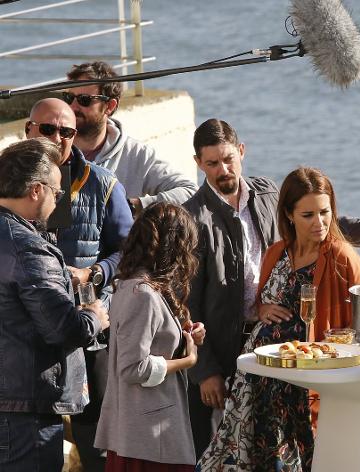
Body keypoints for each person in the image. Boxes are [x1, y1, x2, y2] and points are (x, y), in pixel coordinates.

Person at [183, 118, 360, 457]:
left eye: (229, 159)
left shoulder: (268, 193)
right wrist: (205, 371)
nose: (224, 169)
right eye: (213, 163)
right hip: (225, 350)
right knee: (224, 451)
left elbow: (321, 217)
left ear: (242, 152)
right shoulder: (191, 218)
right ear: (198, 163)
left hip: (288, 362)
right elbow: (186, 301)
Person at [197, 166, 360, 471]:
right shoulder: (277, 252)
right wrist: (263, 309)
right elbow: (262, 302)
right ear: (289, 215)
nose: (319, 223)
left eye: (325, 212)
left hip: (301, 382)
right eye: (308, 215)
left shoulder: (341, 255)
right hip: (257, 377)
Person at [26, 97, 134, 471]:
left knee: (95, 438)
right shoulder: (8, 184)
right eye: (47, 129)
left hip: (90, 331)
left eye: (66, 131)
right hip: (26, 332)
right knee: (35, 434)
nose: (57, 138)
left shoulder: (103, 185)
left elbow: (131, 254)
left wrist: (95, 273)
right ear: (28, 130)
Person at [0, 138, 109, 472]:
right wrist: (94, 316)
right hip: (25, 410)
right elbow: (62, 328)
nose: (59, 200)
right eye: (57, 192)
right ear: (36, 190)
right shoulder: (29, 247)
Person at [94, 202, 206, 471]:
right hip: (147, 439)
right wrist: (187, 361)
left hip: (141, 435)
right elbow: (133, 368)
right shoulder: (142, 294)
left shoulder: (133, 286)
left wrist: (183, 338)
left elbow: (144, 343)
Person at [64, 61, 198, 215]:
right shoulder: (52, 146)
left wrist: (136, 205)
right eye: (69, 97)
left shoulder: (135, 154)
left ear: (110, 106)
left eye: (84, 100)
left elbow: (190, 191)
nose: (73, 107)